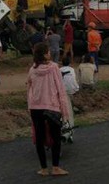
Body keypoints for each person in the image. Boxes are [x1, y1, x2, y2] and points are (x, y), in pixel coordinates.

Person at [27, 42, 70, 177]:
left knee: (39, 138)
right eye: (48, 51)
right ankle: (56, 167)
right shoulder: (54, 68)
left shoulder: (32, 70)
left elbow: (29, 89)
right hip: (52, 106)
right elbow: (60, 90)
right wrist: (65, 110)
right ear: (45, 54)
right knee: (55, 137)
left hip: (35, 107)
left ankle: (44, 168)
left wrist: (30, 106)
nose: (50, 53)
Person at [59, 57, 79, 128]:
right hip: (73, 89)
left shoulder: (59, 70)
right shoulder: (72, 69)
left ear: (61, 63)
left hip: (63, 91)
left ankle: (65, 122)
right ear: (69, 63)